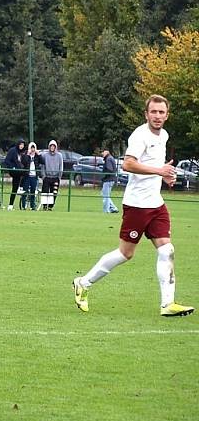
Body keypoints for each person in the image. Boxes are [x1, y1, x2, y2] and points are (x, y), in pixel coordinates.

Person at [73, 94, 193, 317]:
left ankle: (168, 304)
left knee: (167, 250)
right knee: (125, 254)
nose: (157, 116)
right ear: (146, 114)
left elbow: (154, 165)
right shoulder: (139, 135)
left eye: (161, 112)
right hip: (137, 205)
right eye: (153, 112)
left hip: (156, 204)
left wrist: (165, 176)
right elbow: (128, 164)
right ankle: (83, 282)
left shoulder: (164, 135)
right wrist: (159, 171)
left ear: (167, 115)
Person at [3, 139, 26, 210]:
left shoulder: (21, 153)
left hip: (18, 172)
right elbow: (7, 160)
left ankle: (10, 205)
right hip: (13, 170)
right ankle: (21, 187)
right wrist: (12, 167)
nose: (22, 146)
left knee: (14, 188)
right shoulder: (12, 150)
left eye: (23, 145)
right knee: (23, 173)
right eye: (21, 144)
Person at [40, 140, 63, 210]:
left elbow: (61, 166)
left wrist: (59, 176)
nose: (52, 147)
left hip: (56, 177)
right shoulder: (45, 155)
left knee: (54, 192)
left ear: (55, 147)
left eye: (53, 146)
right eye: (51, 146)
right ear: (49, 147)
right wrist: (43, 176)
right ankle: (44, 206)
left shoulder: (59, 155)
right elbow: (42, 166)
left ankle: (50, 206)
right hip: (47, 177)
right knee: (45, 191)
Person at [19, 142, 41, 210]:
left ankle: (32, 206)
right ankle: (23, 206)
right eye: (31, 148)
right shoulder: (25, 155)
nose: (32, 149)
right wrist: (28, 155)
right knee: (25, 191)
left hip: (34, 177)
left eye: (34, 148)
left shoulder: (37, 156)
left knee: (33, 192)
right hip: (27, 176)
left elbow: (42, 161)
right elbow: (24, 162)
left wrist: (39, 154)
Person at [100, 149, 120, 213]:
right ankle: (113, 208)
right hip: (111, 179)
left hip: (108, 180)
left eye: (103, 152)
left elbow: (109, 169)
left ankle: (106, 210)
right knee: (105, 194)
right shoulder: (110, 158)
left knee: (105, 195)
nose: (102, 153)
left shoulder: (108, 159)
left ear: (106, 152)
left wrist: (104, 176)